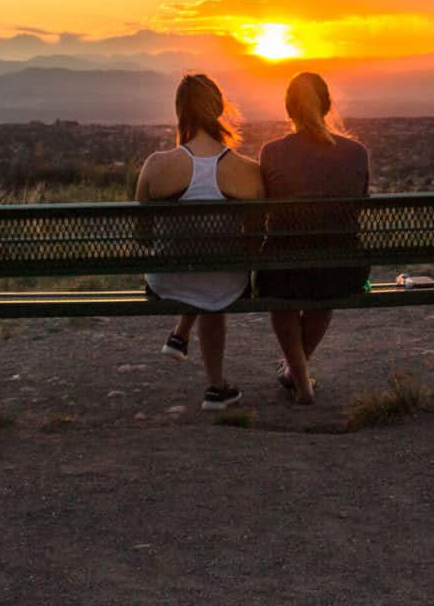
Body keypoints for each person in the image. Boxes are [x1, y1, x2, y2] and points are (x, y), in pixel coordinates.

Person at [137, 72, 262, 410]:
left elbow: (142, 236)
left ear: (180, 112)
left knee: (202, 275)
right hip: (225, 280)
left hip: (168, 280)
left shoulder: (156, 165)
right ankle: (215, 388)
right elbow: (255, 240)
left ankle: (185, 341)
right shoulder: (248, 171)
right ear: (219, 109)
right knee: (213, 285)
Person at [255, 72, 369, 404]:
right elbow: (359, 205)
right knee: (325, 282)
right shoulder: (357, 152)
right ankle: (298, 375)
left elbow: (265, 209)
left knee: (282, 291)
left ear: (288, 110)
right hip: (345, 271)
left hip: (283, 270)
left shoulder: (271, 152)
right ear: (328, 105)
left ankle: (300, 380)